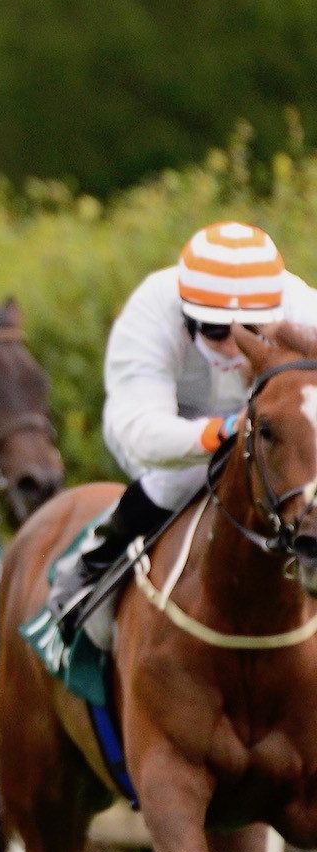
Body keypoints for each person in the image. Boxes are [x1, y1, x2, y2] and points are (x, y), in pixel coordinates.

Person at [47, 221, 317, 647]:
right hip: (170, 431)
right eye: (215, 331)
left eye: (251, 331)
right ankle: (91, 566)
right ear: (187, 316)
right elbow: (140, 433)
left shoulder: (302, 308)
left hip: (269, 425)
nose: (233, 347)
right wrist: (225, 430)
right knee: (180, 478)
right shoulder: (151, 313)